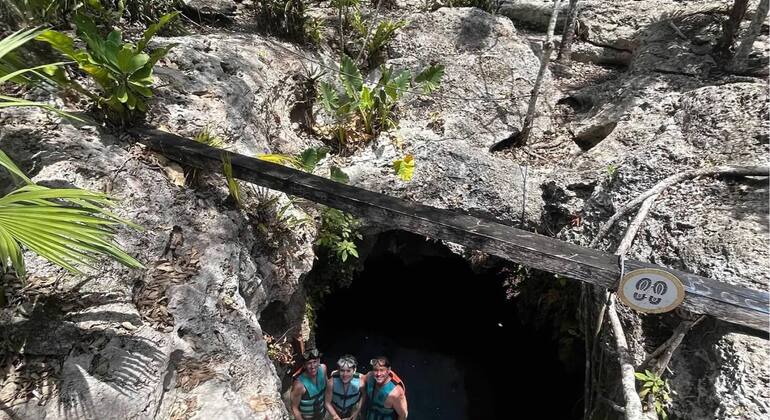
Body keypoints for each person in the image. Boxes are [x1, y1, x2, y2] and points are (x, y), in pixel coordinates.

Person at [290, 348, 328, 420]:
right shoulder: (299, 385)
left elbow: (328, 389)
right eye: (309, 363)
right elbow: (294, 408)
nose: (313, 366)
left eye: (315, 362)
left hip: (322, 415)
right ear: (304, 365)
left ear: (319, 361)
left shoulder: (323, 369)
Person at [325, 355, 365, 420]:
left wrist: (357, 411)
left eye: (348, 371)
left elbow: (364, 395)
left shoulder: (361, 383)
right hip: (334, 410)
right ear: (338, 370)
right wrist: (335, 416)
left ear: (354, 370)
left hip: (352, 410)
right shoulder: (331, 383)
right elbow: (327, 402)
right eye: (342, 371)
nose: (345, 374)